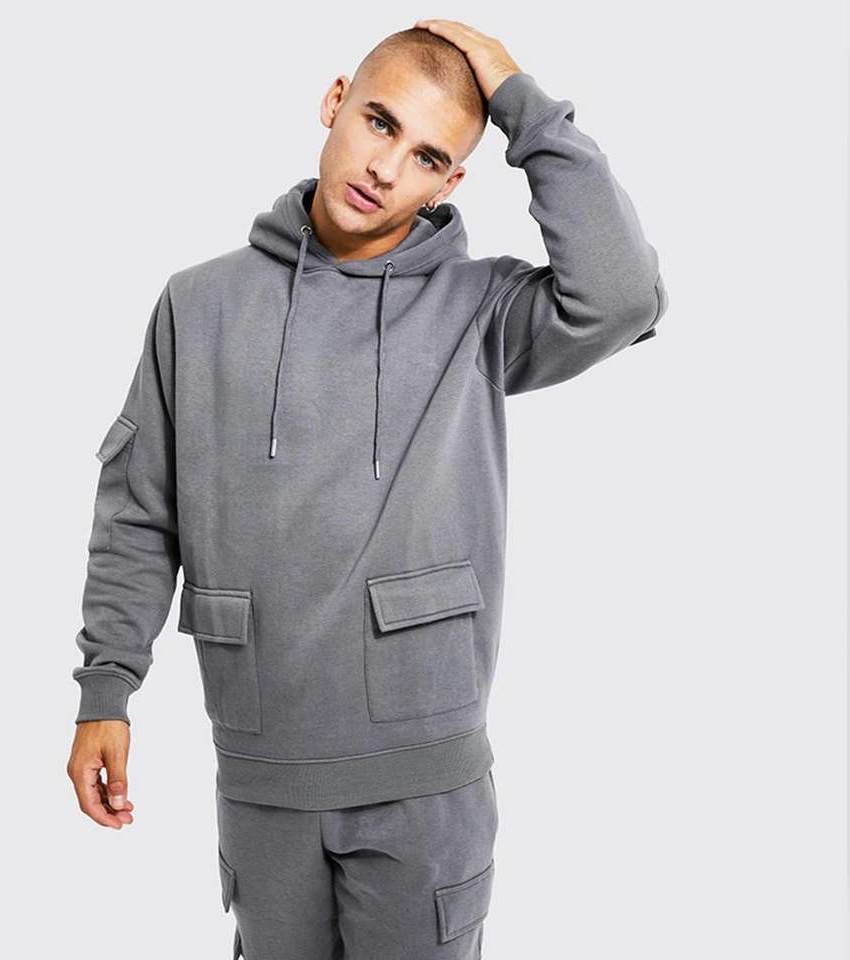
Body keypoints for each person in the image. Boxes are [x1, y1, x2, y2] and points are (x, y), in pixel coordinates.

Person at [66, 19, 668, 960]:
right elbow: (139, 512)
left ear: (450, 182)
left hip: (424, 783)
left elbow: (622, 296)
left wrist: (519, 99)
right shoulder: (199, 304)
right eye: (381, 123)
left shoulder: (479, 310)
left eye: (427, 155)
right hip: (261, 774)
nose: (386, 168)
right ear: (335, 101)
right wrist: (107, 686)